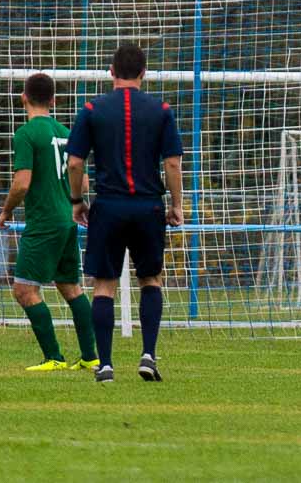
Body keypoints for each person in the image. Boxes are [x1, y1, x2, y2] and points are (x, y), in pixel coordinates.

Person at [66, 44, 184, 383]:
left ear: (111, 71)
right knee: (150, 279)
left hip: (109, 206)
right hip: (148, 206)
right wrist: (176, 204)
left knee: (104, 284)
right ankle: (148, 355)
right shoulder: (161, 110)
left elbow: (74, 162)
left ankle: (105, 365)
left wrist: (77, 200)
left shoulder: (92, 109)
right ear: (144, 73)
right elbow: (172, 163)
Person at [0, 73, 98, 372]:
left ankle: (54, 357)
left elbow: (22, 183)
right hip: (68, 219)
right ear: (53, 100)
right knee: (70, 287)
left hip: (43, 222)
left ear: (23, 98)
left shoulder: (26, 133)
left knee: (23, 290)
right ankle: (90, 356)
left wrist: (6, 211)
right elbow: (84, 181)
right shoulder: (67, 132)